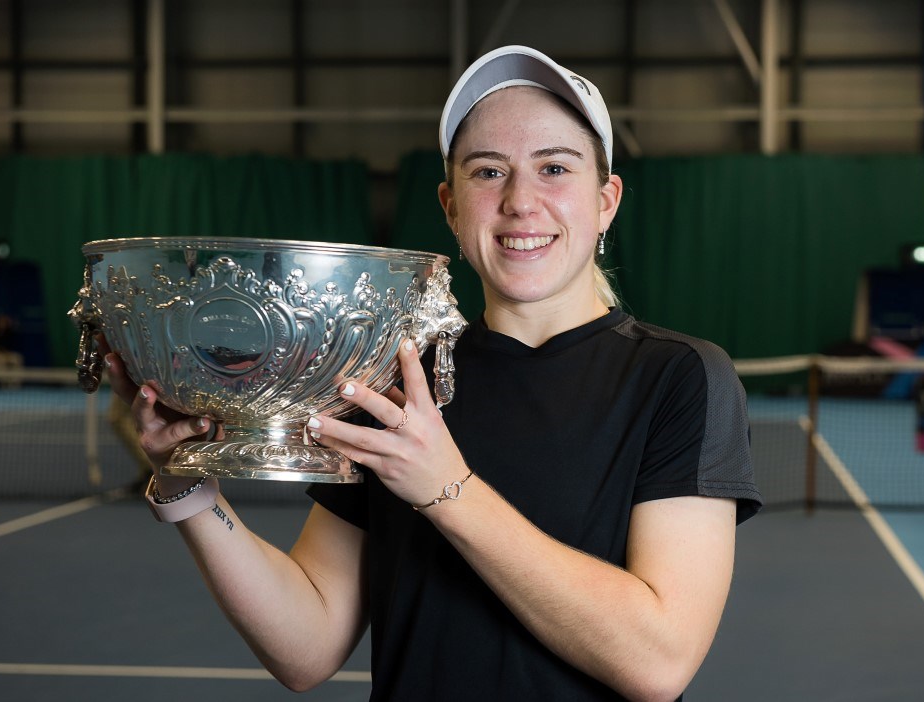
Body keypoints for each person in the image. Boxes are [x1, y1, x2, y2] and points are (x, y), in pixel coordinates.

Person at [105, 45, 761, 701]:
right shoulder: (390, 380)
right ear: (451, 205)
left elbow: (657, 661)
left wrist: (446, 489)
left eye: (555, 168)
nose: (520, 201)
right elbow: (305, 648)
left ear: (606, 200)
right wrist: (187, 488)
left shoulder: (679, 378)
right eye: (488, 171)